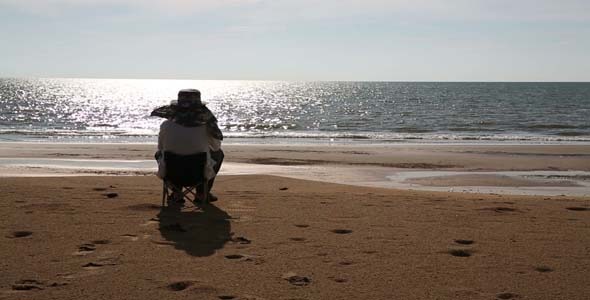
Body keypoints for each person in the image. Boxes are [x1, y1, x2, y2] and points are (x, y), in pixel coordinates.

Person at [153, 89, 224, 203]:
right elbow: (215, 147)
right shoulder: (206, 125)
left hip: (173, 173)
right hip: (198, 174)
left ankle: (176, 193)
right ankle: (201, 193)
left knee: (159, 154)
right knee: (219, 154)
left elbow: (160, 148)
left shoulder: (166, 125)